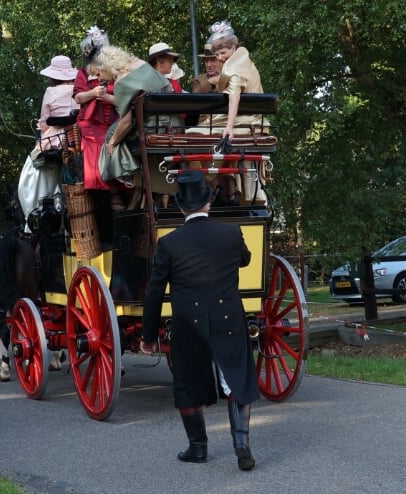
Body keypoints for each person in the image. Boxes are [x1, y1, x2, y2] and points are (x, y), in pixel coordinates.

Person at [140, 170, 260, 471]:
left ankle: (198, 448)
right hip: (228, 317)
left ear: (181, 207)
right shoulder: (231, 234)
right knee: (236, 378)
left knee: (187, 383)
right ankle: (241, 443)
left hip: (188, 322)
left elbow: (154, 291)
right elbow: (245, 259)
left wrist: (148, 335)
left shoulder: (169, 244)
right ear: (208, 203)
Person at [188, 20, 268, 205]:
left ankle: (206, 188)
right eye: (216, 55)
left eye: (222, 53)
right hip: (254, 119)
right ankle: (223, 187)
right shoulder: (245, 62)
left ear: (234, 47)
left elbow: (234, 97)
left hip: (244, 122)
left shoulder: (234, 68)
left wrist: (229, 127)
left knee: (190, 136)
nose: (220, 58)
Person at [94, 45, 184, 209]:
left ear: (106, 66)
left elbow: (126, 121)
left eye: (98, 72)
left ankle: (128, 174)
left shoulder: (121, 82)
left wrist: (112, 142)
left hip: (154, 129)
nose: (99, 77)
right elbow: (169, 88)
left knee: (112, 134)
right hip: (175, 125)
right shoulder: (141, 64)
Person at [18, 54, 80, 228]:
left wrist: (41, 133)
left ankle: (33, 213)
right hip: (75, 136)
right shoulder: (79, 91)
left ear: (53, 76)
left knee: (29, 170)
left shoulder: (50, 92)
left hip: (54, 139)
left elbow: (45, 121)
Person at [73, 26, 118, 239]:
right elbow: (78, 98)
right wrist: (93, 92)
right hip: (92, 126)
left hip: (115, 123)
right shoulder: (83, 74)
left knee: (119, 141)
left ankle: (119, 190)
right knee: (94, 148)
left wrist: (109, 94)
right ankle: (106, 192)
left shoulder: (115, 71)